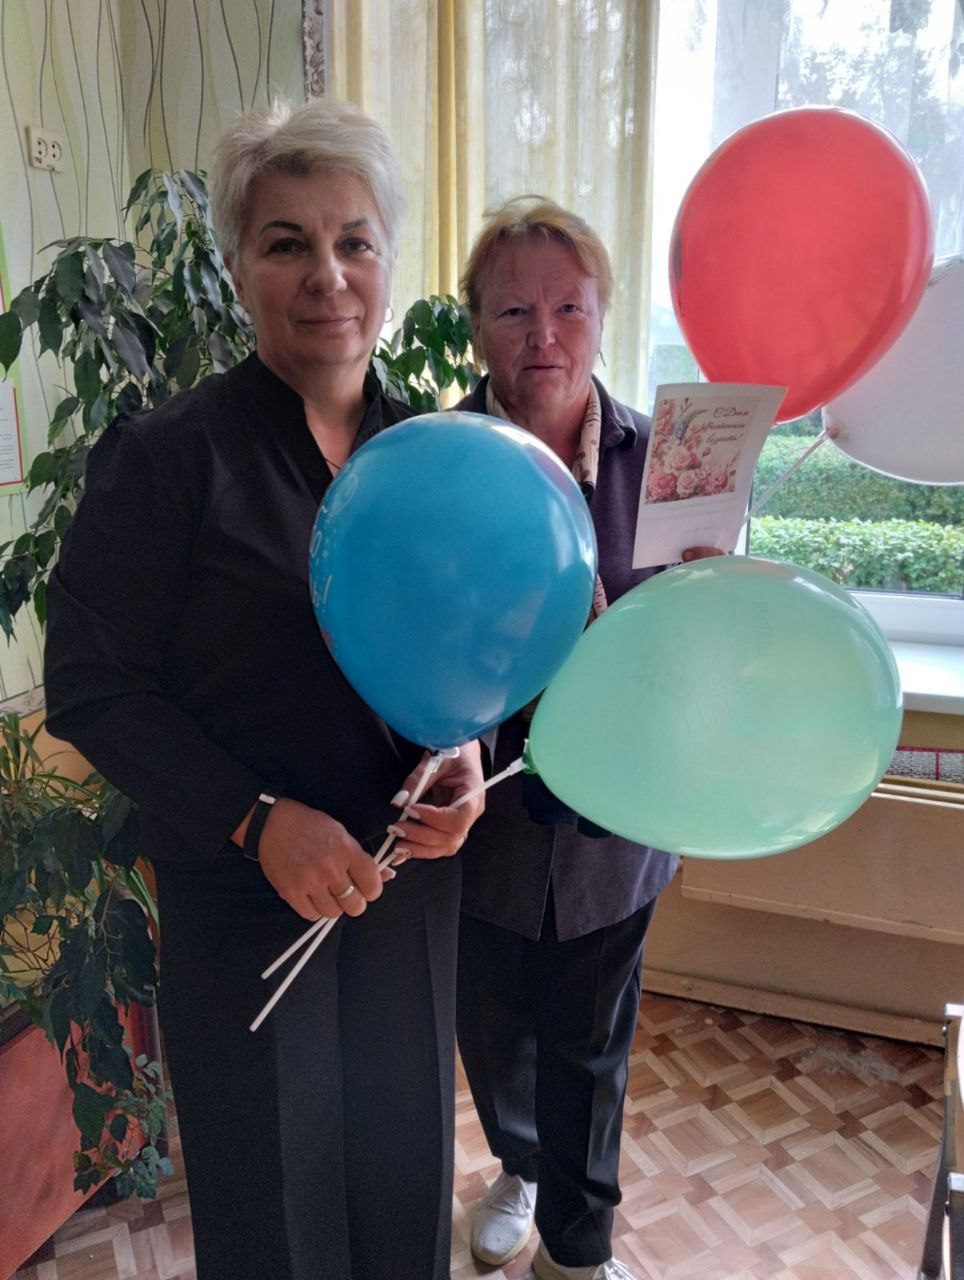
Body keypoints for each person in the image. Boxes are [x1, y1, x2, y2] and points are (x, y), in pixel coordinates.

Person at [43, 98, 485, 1280]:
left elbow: (475, 651)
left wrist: (468, 749)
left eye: (354, 240)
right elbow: (89, 682)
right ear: (238, 269)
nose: (326, 275)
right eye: (287, 242)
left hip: (402, 886)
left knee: (402, 1183)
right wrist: (255, 819)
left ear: (388, 259)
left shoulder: (438, 461)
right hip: (243, 896)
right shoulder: (167, 458)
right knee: (271, 1210)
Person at [454, 197, 719, 1280]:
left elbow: (700, 648)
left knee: (592, 1044)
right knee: (493, 1029)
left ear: (605, 316)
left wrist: (702, 591)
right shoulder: (435, 460)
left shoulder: (672, 462)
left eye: (569, 306)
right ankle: (518, 1165)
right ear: (476, 326)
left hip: (618, 822)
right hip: (480, 820)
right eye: (514, 309)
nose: (544, 335)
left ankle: (577, 1239)